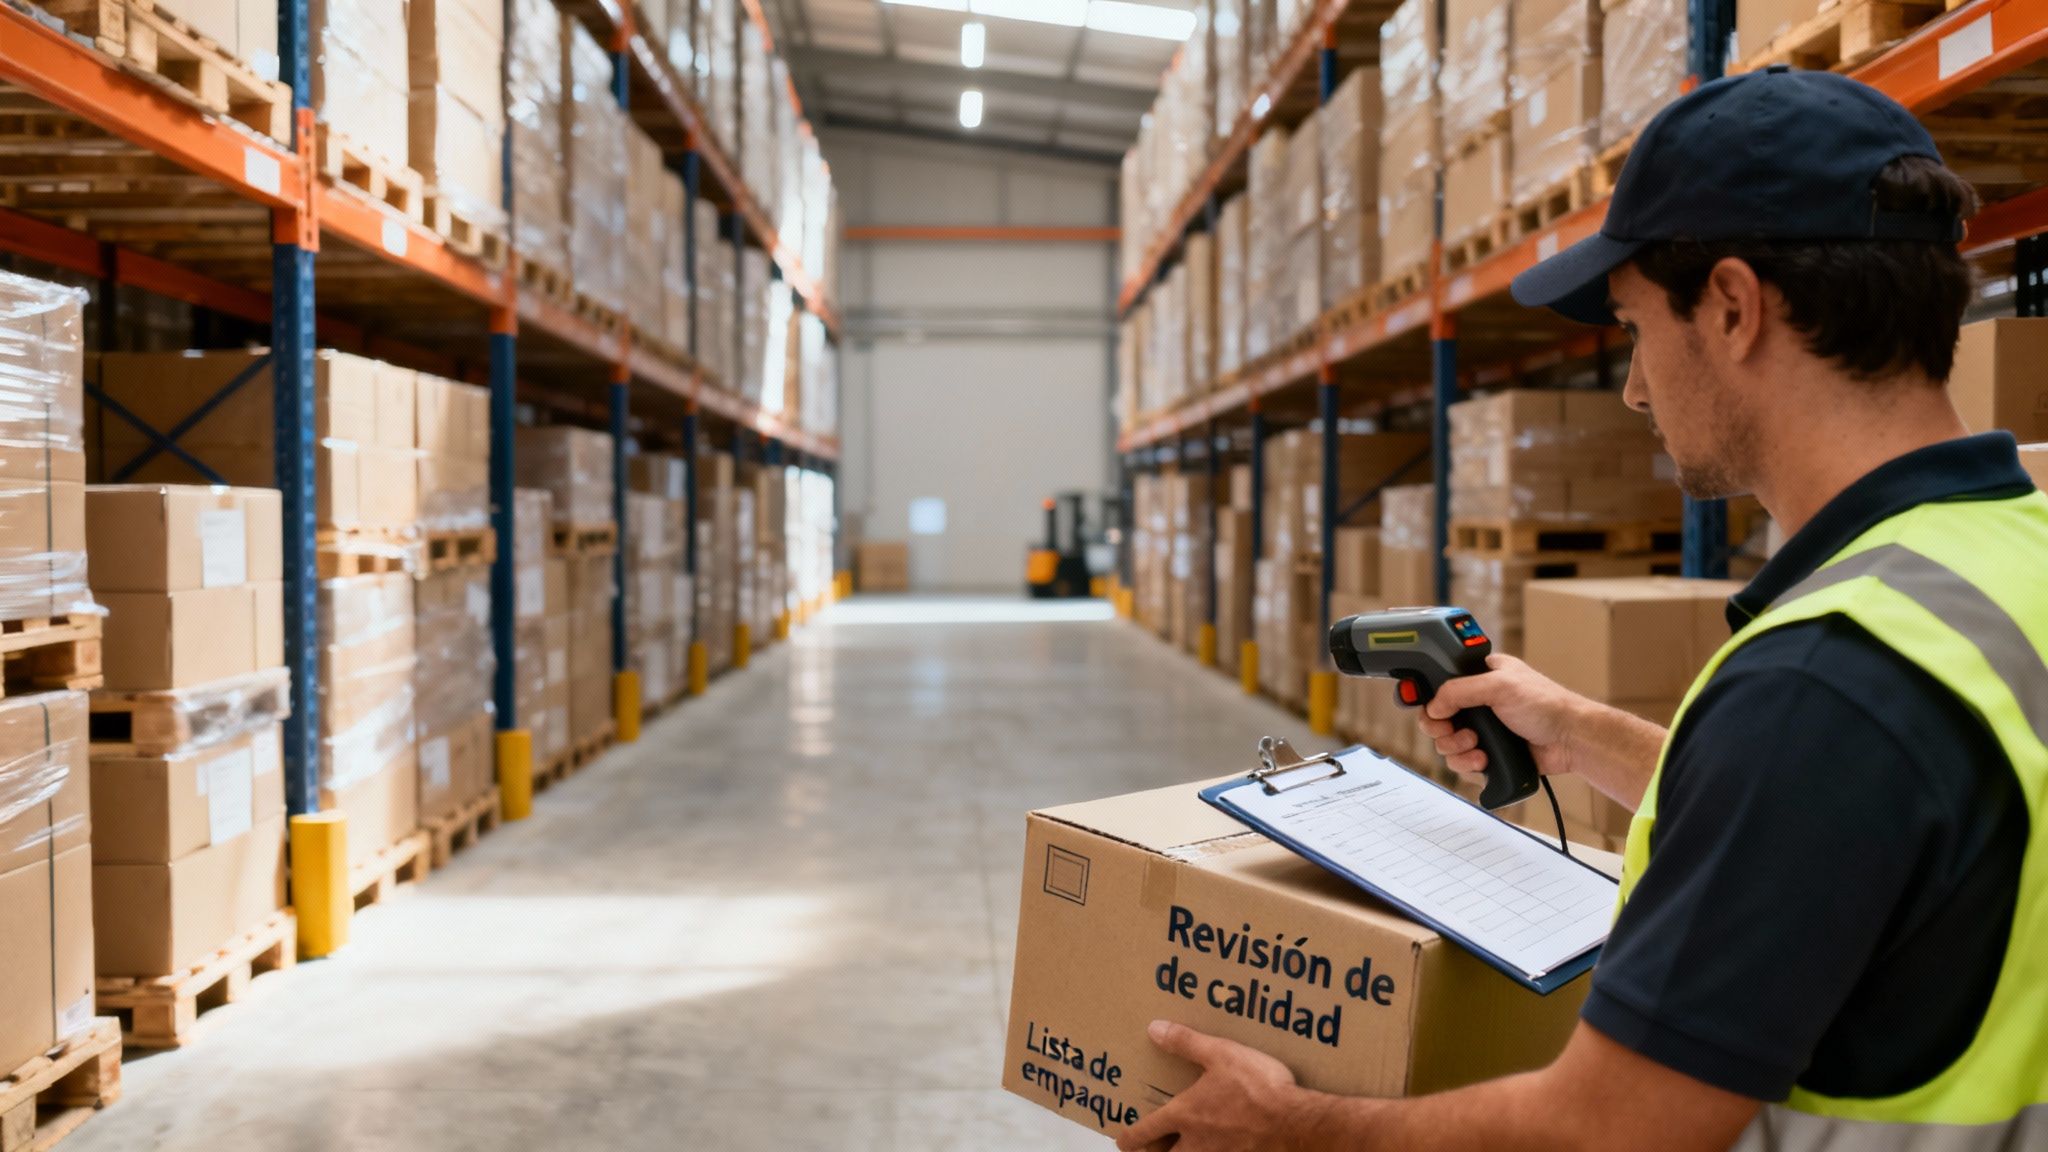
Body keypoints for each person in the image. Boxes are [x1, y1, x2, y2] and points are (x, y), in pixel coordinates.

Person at [1115, 67, 2048, 1152]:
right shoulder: (1997, 559)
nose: (1633, 389)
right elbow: (1867, 825)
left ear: (1734, 308)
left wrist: (1291, 1127)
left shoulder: (1822, 681)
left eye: (1633, 328)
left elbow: (1606, 1132)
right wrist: (1579, 731)